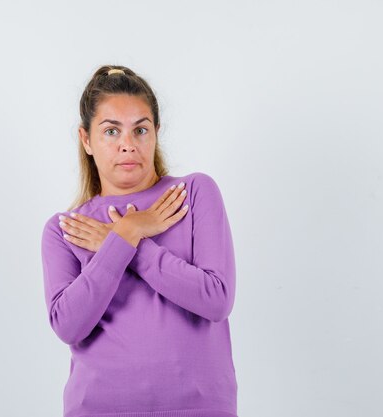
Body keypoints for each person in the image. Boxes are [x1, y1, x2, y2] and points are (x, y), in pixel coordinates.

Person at [40, 65, 238, 417]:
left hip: (198, 407)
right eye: (111, 131)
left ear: (156, 133)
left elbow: (216, 299)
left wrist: (133, 245)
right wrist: (128, 232)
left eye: (141, 129)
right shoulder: (66, 229)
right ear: (86, 139)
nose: (128, 145)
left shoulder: (192, 194)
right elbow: (68, 325)